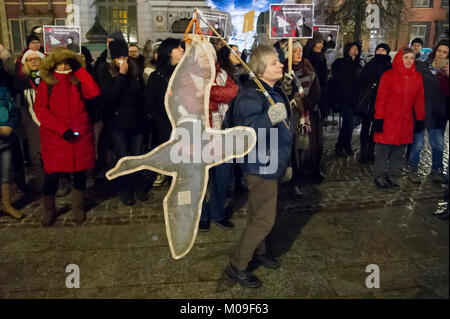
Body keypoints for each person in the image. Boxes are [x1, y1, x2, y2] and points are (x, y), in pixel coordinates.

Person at [226, 45, 293, 288]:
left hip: (272, 162)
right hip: (260, 164)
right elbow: (249, 132)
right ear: (261, 68)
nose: (281, 65)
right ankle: (238, 264)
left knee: (257, 214)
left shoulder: (271, 91)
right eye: (275, 62)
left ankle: (260, 250)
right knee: (264, 219)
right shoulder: (250, 95)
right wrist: (271, 116)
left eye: (279, 61)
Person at [34, 47, 101, 226]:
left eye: (67, 63)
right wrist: (62, 129)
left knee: (79, 174)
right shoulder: (47, 83)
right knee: (51, 177)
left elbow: (93, 92)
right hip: (56, 139)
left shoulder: (77, 80)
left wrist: (79, 69)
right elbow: (40, 110)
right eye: (60, 63)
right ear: (53, 65)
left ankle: (78, 208)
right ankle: (49, 210)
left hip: (79, 137)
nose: (63, 67)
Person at [98, 39, 148, 206]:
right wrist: (121, 76)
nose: (123, 60)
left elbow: (140, 94)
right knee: (123, 157)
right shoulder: (106, 71)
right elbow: (110, 97)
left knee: (137, 156)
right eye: (119, 57)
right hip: (117, 124)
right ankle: (125, 189)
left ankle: (138, 186)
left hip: (137, 122)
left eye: (125, 56)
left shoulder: (134, 67)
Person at [198, 43, 238, 232]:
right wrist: (213, 96)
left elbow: (232, 92)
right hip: (199, 135)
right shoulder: (191, 76)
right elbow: (193, 98)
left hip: (222, 133)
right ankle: (203, 215)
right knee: (203, 180)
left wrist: (209, 93)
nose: (208, 60)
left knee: (222, 177)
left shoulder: (223, 74)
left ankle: (217, 213)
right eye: (204, 56)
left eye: (210, 56)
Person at [372, 48, 425, 188]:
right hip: (388, 119)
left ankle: (391, 175)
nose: (409, 60)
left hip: (405, 121)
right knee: (383, 150)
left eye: (411, 58)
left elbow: (419, 100)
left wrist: (420, 118)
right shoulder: (388, 75)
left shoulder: (417, 77)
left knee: (399, 151)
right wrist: (379, 118)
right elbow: (381, 98)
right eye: (406, 57)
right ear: (399, 59)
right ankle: (379, 175)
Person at [407, 39, 449, 184]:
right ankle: (412, 169)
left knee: (438, 144)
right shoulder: (423, 66)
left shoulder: (447, 72)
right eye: (440, 51)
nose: (441, 55)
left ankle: (437, 170)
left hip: (438, 113)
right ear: (435, 51)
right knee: (417, 144)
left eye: (445, 53)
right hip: (420, 110)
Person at [282, 41, 321, 195]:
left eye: (300, 51)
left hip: (302, 116)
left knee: (301, 150)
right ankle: (286, 177)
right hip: (286, 116)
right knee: (288, 149)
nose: (299, 53)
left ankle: (297, 180)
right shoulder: (282, 70)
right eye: (295, 51)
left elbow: (316, 94)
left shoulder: (309, 71)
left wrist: (302, 103)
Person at [144, 38, 184, 187]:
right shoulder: (157, 76)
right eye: (178, 48)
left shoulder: (185, 72)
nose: (182, 50)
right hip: (164, 124)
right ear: (169, 52)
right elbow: (151, 102)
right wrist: (163, 123)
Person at [358, 43, 392, 164]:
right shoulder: (369, 65)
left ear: (387, 52)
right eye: (379, 49)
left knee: (375, 129)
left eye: (383, 50)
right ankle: (363, 151)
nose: (380, 52)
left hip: (382, 103)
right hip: (369, 102)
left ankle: (371, 150)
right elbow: (361, 81)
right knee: (365, 127)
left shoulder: (389, 66)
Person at [15, 50, 45, 184]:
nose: (33, 61)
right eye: (30, 59)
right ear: (25, 63)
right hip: (32, 123)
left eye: (36, 58)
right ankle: (42, 182)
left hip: (50, 121)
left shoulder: (49, 79)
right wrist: (26, 124)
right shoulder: (22, 82)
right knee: (36, 154)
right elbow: (20, 104)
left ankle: (61, 180)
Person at [304, 32, 330, 182]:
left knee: (318, 140)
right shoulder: (308, 61)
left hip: (321, 103)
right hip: (312, 104)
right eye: (317, 42)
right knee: (310, 141)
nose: (320, 45)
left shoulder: (321, 58)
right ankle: (309, 169)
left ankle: (316, 166)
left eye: (321, 42)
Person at [331, 42, 363, 157]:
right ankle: (343, 146)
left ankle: (342, 146)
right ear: (347, 50)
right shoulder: (340, 63)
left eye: (357, 47)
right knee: (349, 122)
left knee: (349, 123)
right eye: (352, 47)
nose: (355, 49)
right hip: (343, 99)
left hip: (355, 100)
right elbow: (336, 80)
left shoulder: (359, 65)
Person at [0, 69, 23, 219]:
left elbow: (15, 112)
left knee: (6, 175)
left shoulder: (3, 91)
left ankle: (7, 204)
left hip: (4, 143)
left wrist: (10, 126)